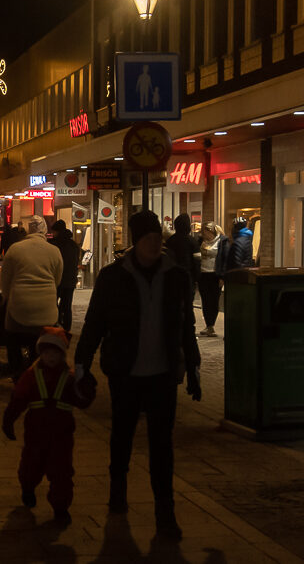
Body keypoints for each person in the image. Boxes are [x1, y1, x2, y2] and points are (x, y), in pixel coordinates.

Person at [74, 209, 202, 540]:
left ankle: (166, 510)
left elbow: (185, 323)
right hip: (125, 371)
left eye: (158, 237)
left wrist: (194, 366)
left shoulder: (176, 275)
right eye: (149, 238)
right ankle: (118, 492)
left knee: (162, 444)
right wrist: (81, 362)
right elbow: (95, 322)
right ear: (136, 241)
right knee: (122, 435)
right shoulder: (112, 276)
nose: (155, 243)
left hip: (162, 373)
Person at [2, 327, 96, 527]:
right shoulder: (30, 376)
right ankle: (28, 488)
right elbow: (19, 398)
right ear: (40, 353)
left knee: (62, 471)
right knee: (31, 464)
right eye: (46, 352)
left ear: (62, 354)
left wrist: (87, 386)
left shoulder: (70, 377)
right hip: (36, 432)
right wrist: (9, 419)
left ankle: (61, 507)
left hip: (62, 435)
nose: (51, 357)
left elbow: (82, 400)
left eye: (55, 353)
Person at [1, 215, 63, 379]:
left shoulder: (15, 249)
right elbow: (57, 280)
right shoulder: (54, 251)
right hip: (47, 313)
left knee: (11, 334)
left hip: (20, 309)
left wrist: (6, 297)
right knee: (40, 337)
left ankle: (16, 369)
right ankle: (38, 369)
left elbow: (5, 281)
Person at [50, 220, 80, 331]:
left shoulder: (53, 244)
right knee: (67, 307)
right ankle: (66, 331)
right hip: (70, 280)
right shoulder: (73, 245)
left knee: (53, 304)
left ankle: (56, 326)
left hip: (56, 280)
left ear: (57, 231)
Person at [197, 222, 224, 337]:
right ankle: (208, 325)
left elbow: (223, 259)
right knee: (205, 300)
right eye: (204, 233)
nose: (205, 235)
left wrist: (222, 276)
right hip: (203, 274)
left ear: (212, 232)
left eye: (207, 232)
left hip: (214, 275)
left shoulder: (221, 242)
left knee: (213, 300)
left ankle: (211, 325)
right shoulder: (201, 242)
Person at [165, 214, 200, 299]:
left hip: (172, 278)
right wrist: (197, 278)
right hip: (188, 277)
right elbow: (197, 261)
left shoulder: (170, 241)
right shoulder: (192, 241)